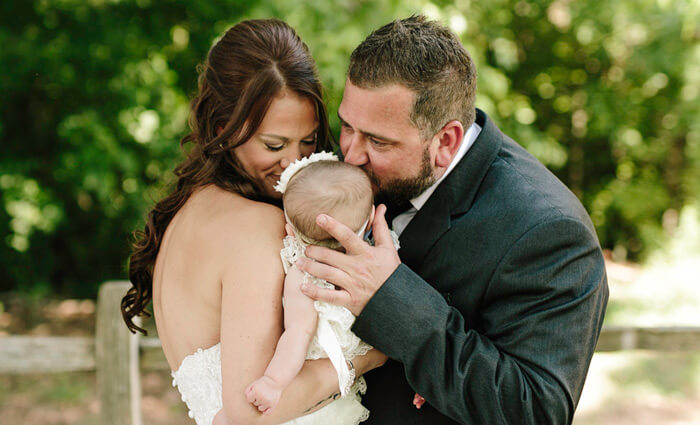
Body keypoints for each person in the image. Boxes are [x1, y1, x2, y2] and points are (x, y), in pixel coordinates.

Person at [298, 15, 609, 425]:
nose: (351, 154)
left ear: (445, 142)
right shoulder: (350, 169)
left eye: (378, 141)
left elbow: (535, 410)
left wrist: (393, 300)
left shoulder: (550, 232)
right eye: (347, 127)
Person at [120, 19, 386, 425]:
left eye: (310, 141)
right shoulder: (258, 228)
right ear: (226, 130)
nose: (295, 161)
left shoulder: (191, 211)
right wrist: (373, 352)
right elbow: (248, 415)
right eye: (274, 145)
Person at [245, 154, 374, 422]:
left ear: (290, 231)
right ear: (371, 220)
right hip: (334, 390)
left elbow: (297, 332)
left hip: (329, 391)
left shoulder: (302, 277)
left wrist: (273, 382)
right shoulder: (376, 262)